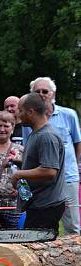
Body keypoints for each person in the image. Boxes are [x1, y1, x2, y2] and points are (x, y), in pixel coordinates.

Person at [27, 77, 81, 234]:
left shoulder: (69, 114)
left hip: (68, 177)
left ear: (53, 94)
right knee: (43, 224)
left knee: (72, 225)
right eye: (38, 92)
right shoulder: (29, 120)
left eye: (46, 91)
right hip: (42, 180)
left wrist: (75, 166)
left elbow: (78, 142)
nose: (42, 95)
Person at [12, 93, 66, 233]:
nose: (18, 114)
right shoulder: (36, 133)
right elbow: (40, 163)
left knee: (37, 249)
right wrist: (19, 163)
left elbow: (49, 171)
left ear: (31, 112)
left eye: (21, 110)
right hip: (37, 203)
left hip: (46, 205)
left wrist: (19, 174)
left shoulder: (46, 136)